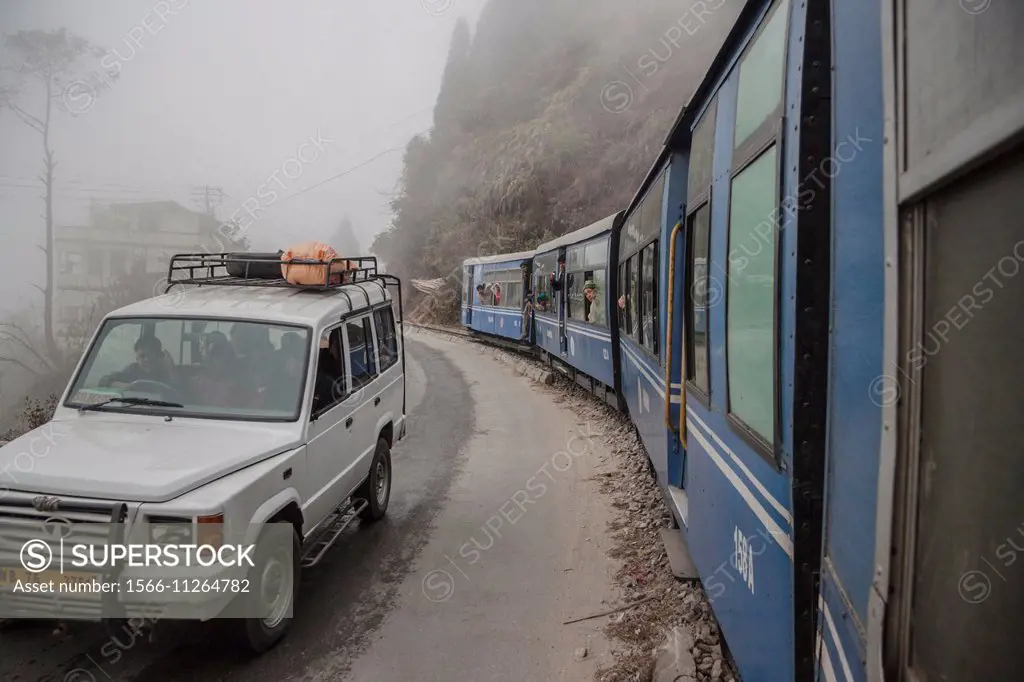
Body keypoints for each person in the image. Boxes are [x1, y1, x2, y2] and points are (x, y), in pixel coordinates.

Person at [103, 336, 172, 388]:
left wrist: (171, 371)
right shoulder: (132, 370)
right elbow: (104, 381)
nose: (147, 359)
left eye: (151, 355)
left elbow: (179, 394)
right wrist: (126, 386)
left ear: (159, 355)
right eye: (142, 356)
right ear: (137, 358)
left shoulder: (165, 371)